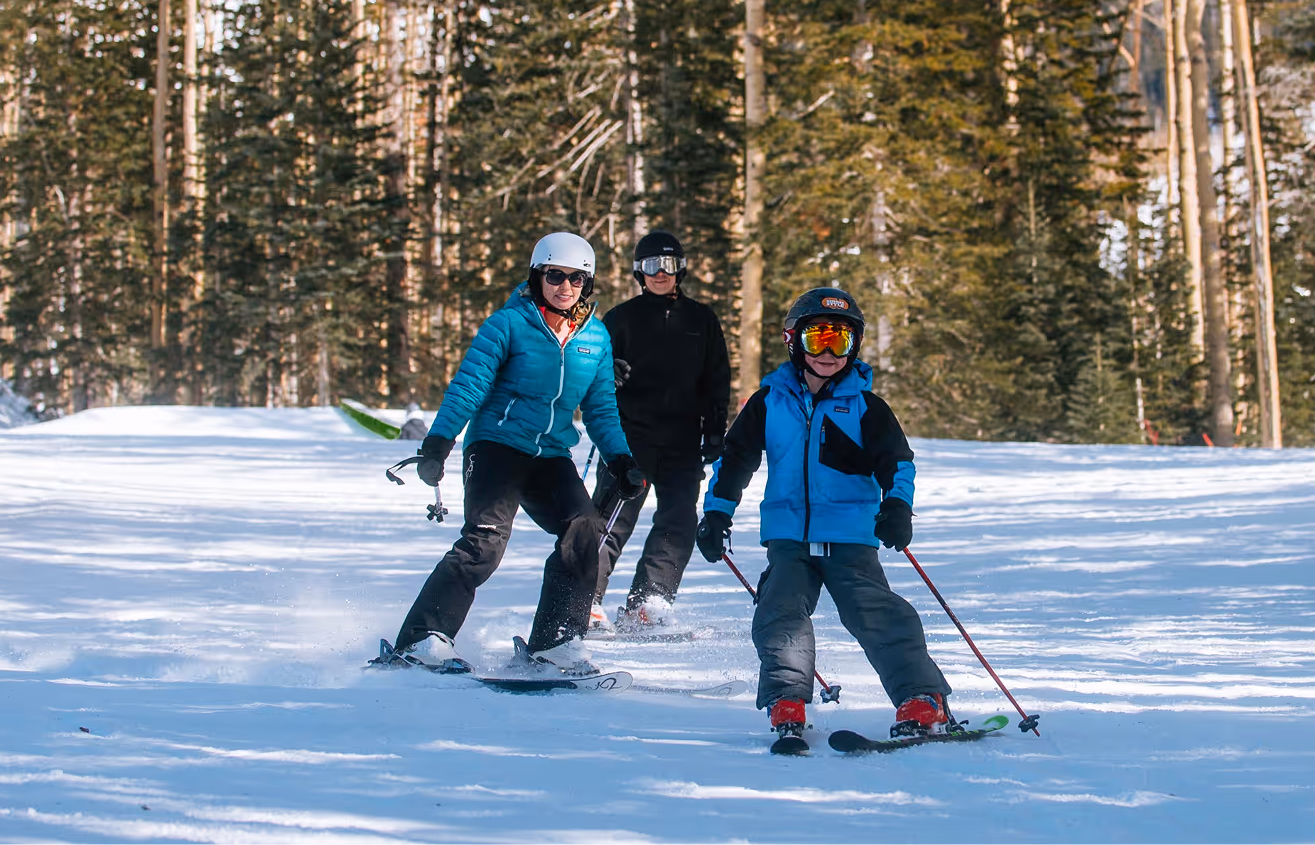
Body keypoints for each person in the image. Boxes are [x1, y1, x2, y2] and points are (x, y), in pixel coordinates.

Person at [380, 231, 645, 676]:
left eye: (576, 279)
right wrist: (438, 442)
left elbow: (600, 408)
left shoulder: (595, 338)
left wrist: (620, 460)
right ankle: (422, 640)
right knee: (484, 541)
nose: (565, 287)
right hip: (497, 447)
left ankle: (556, 644)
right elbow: (469, 385)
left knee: (584, 530)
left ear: (588, 284)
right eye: (554, 276)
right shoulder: (507, 324)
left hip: (550, 455)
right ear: (537, 275)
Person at [696, 286, 954, 741]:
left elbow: (898, 463)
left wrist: (897, 506)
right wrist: (716, 512)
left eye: (842, 340)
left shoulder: (865, 408)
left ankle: (922, 697)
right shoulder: (768, 403)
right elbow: (735, 461)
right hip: (788, 537)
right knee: (779, 612)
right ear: (794, 341)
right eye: (819, 339)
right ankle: (787, 700)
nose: (831, 352)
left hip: (851, 536)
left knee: (875, 613)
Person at [593, 230, 732, 631]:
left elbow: (716, 378)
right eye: (651, 265)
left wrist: (715, 431)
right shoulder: (620, 318)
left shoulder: (701, 320)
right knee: (611, 518)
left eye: (668, 265)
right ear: (639, 271)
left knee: (679, 521)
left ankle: (649, 602)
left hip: (683, 438)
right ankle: (585, 598)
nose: (660, 273)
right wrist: (608, 375)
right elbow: (591, 371)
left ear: (680, 270)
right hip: (629, 436)